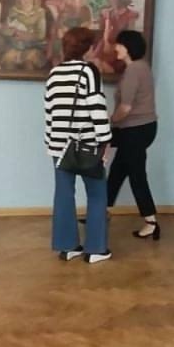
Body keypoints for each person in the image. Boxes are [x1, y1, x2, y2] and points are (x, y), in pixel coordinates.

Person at [45, 26, 112, 263]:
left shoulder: (54, 74)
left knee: (64, 195)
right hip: (86, 145)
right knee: (97, 194)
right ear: (87, 48)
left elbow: (50, 112)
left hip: (59, 147)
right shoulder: (88, 71)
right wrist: (105, 141)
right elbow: (97, 109)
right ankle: (96, 249)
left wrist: (51, 144)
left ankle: (68, 247)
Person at [106, 29, 160, 240]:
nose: (115, 48)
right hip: (141, 128)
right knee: (118, 170)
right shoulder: (142, 67)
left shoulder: (133, 70)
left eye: (119, 44)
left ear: (128, 47)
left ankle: (151, 222)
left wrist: (111, 121)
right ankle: (101, 212)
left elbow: (126, 107)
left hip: (135, 129)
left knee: (136, 175)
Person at [91, 0, 138, 74]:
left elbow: (130, 35)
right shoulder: (107, 13)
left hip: (120, 46)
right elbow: (102, 31)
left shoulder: (131, 15)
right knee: (95, 63)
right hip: (105, 44)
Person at [0, 0, 47, 71]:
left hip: (33, 46)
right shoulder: (13, 11)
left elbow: (41, 35)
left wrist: (25, 35)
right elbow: (6, 29)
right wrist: (13, 32)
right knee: (8, 60)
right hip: (16, 46)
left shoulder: (40, 12)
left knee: (28, 62)